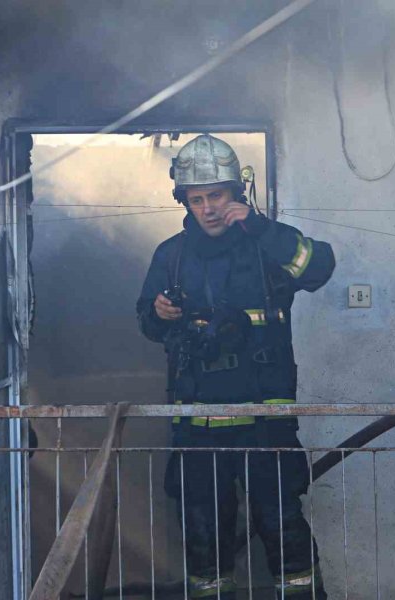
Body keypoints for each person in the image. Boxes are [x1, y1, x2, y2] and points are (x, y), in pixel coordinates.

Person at [136, 134, 335, 599]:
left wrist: (263, 229)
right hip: (196, 424)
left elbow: (319, 268)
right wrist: (158, 313)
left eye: (217, 196)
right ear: (184, 200)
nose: (207, 208)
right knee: (202, 529)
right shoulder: (171, 255)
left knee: (282, 524)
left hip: (267, 423)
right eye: (196, 198)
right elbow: (147, 320)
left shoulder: (266, 245)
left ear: (237, 193)